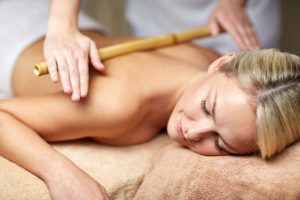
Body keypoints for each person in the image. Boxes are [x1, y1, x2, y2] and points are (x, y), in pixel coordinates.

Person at [0, 29, 299, 199]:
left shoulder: (203, 61)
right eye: (208, 108)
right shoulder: (117, 106)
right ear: (221, 63)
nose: (193, 132)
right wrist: (61, 173)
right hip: (13, 39)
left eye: (221, 144)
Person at [43, 0, 281, 101]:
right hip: (157, 17)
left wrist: (231, 4)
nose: (193, 132)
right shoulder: (121, 102)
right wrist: (62, 24)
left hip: (237, 26)